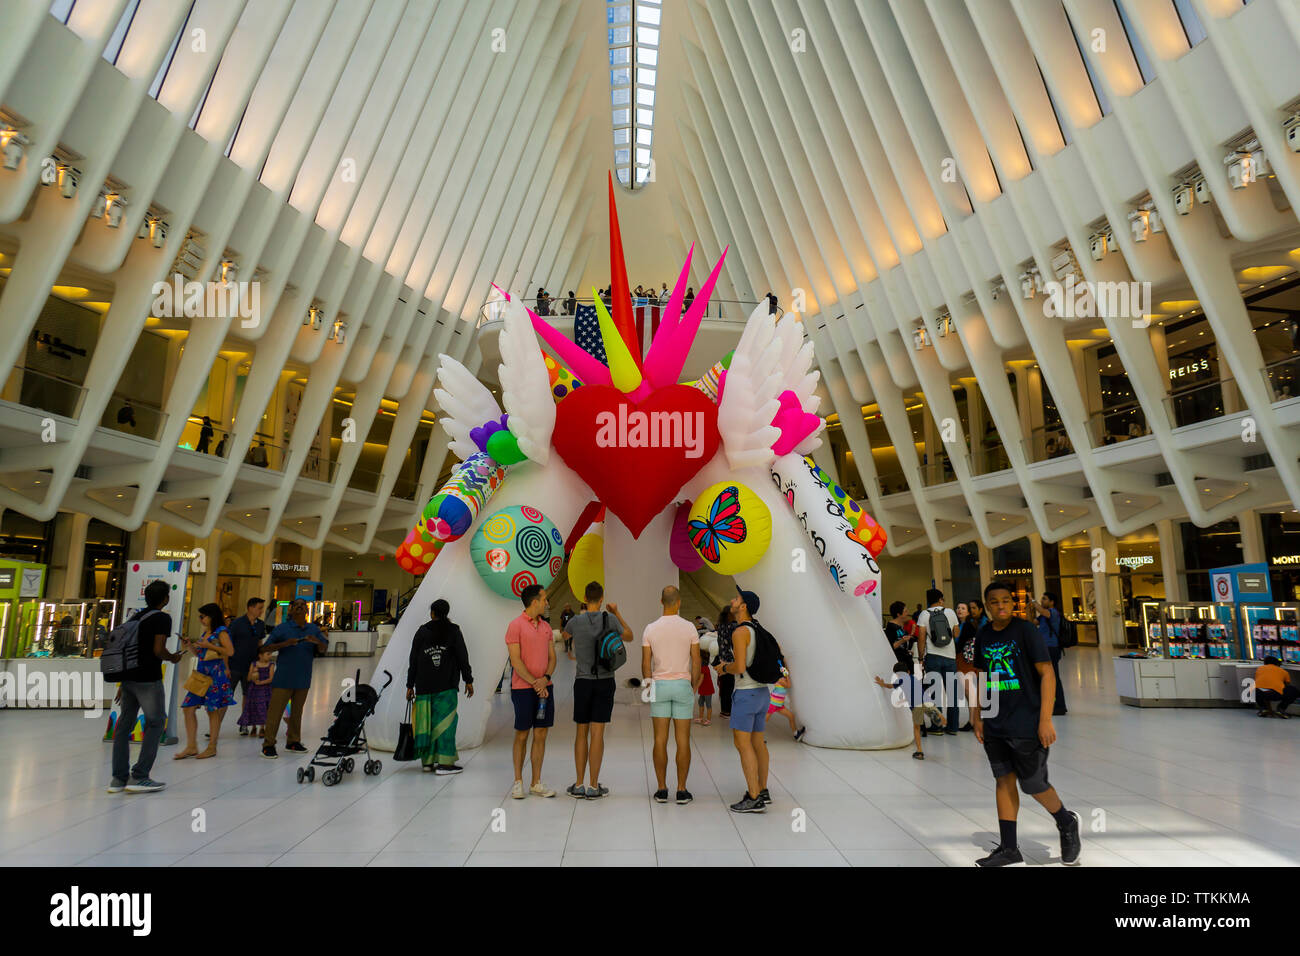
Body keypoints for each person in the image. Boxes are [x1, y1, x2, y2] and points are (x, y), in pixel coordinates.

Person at [972, 580, 1081, 867]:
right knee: (1003, 780)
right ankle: (1009, 849)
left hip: (1027, 721)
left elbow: (1047, 674)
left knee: (1033, 784)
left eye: (1006, 600)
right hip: (995, 722)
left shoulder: (1026, 631)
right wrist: (977, 715)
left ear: (1013, 603)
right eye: (994, 602)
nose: (1001, 606)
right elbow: (981, 676)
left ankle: (1066, 821)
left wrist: (1045, 719)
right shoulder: (983, 636)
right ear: (987, 606)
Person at [108, 580, 182, 793]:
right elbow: (158, 649)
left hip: (129, 678)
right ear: (166, 598)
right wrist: (173, 657)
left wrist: (123, 683)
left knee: (124, 726)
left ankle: (118, 779)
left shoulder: (136, 617)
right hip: (148, 678)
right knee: (156, 723)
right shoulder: (162, 618)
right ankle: (140, 776)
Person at [563, 581, 632, 798]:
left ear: (584, 597)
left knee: (581, 732)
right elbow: (629, 635)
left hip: (582, 681)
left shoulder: (575, 621)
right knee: (597, 733)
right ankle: (593, 785)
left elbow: (564, 636)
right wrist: (617, 612)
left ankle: (578, 783)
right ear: (601, 598)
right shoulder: (610, 619)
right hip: (605, 680)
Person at [642, 585, 701, 805]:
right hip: (682, 684)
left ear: (661, 601)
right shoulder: (690, 628)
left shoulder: (650, 629)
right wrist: (692, 684)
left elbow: (645, 663)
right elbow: (696, 660)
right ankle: (682, 790)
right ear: (679, 602)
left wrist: (648, 689)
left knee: (660, 739)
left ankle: (661, 789)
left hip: (659, 685)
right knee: (683, 739)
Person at [406, 599, 474, 774]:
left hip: (423, 686)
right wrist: (468, 680)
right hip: (446, 686)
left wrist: (410, 685)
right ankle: (444, 763)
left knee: (425, 724)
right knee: (445, 724)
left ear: (432, 613)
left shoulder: (422, 632)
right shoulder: (454, 631)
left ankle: (427, 763)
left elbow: (413, 660)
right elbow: (462, 657)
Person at [719, 586, 771, 813]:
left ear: (744, 606)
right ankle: (762, 789)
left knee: (743, 744)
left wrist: (723, 668)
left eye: (737, 598)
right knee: (758, 742)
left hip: (746, 693)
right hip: (761, 694)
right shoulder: (758, 629)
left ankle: (753, 796)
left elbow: (739, 666)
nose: (733, 600)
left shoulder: (740, 632)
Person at [505, 584, 557, 798]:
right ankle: (518, 781)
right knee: (522, 733)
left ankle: (536, 782)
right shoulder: (515, 626)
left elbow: (552, 658)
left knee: (541, 733)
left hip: (545, 688)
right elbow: (515, 661)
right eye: (544, 599)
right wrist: (536, 683)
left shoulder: (545, 627)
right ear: (534, 601)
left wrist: (545, 679)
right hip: (523, 689)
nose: (546, 603)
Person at [260, 598, 328, 758]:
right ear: (290, 610)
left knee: (297, 713)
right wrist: (284, 644)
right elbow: (265, 647)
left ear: (306, 610)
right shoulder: (282, 629)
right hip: (283, 679)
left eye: (302, 605)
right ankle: (268, 744)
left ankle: (293, 741)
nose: (299, 607)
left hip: (303, 679)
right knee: (275, 713)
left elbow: (324, 648)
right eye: (296, 605)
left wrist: (316, 641)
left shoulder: (313, 629)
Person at [175, 603, 236, 760]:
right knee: (188, 708)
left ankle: (212, 747)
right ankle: (191, 746)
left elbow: (230, 651)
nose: (200, 619)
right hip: (202, 674)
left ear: (212, 616)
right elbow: (200, 654)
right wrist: (189, 646)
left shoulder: (221, 632)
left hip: (215, 674)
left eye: (203, 616)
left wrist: (209, 645)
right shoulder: (206, 632)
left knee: (212, 710)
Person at [875, 661, 942, 759]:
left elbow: (890, 686)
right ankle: (933, 714)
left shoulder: (901, 680)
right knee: (927, 709)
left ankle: (919, 752)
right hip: (925, 701)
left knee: (916, 728)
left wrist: (882, 683)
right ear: (908, 671)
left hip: (916, 707)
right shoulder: (913, 678)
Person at [916, 588, 961, 735]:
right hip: (950, 657)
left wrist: (921, 658)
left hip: (933, 657)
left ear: (928, 600)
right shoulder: (950, 612)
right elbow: (956, 633)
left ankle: (937, 727)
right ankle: (953, 728)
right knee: (952, 692)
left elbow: (921, 638)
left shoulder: (924, 614)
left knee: (934, 693)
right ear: (941, 599)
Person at [227, 597, 266, 734]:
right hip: (234, 665)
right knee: (226, 695)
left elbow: (260, 644)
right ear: (250, 608)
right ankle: (215, 725)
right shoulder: (237, 623)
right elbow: (228, 644)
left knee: (247, 695)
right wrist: (226, 666)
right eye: (259, 608)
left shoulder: (260, 624)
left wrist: (262, 662)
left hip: (251, 668)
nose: (262, 611)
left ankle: (244, 724)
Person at [1030, 592, 1067, 715]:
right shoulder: (1043, 616)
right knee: (1046, 676)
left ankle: (1059, 706)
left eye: (1044, 599)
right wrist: (1029, 607)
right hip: (1044, 648)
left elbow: (1042, 611)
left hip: (1052, 648)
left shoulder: (1053, 613)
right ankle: (1052, 704)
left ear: (1052, 602)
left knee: (1053, 677)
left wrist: (1033, 600)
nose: (1042, 601)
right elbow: (1032, 623)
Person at [237, 648, 274, 737]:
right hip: (254, 689)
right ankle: (254, 727)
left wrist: (261, 682)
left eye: (270, 654)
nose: (270, 656)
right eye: (268, 654)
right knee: (253, 707)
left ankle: (262, 728)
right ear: (260, 655)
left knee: (264, 708)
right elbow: (249, 679)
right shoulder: (254, 664)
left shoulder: (271, 665)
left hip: (265, 690)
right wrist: (253, 673)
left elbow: (271, 678)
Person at [766, 667, 805, 740]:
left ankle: (796, 734)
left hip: (779, 705)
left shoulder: (782, 678)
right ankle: (756, 738)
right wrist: (787, 675)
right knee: (764, 721)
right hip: (773, 703)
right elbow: (788, 685)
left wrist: (786, 674)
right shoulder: (779, 679)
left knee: (791, 716)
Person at [712, 606, 735, 718]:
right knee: (729, 687)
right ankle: (728, 710)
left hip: (721, 659)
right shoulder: (733, 626)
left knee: (724, 687)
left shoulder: (720, 626)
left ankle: (724, 710)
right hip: (730, 661)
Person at [884, 600, 914, 666]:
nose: (907, 613)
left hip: (905, 659)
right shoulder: (891, 627)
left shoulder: (900, 626)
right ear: (898, 614)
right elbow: (892, 646)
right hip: (898, 662)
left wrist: (906, 651)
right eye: (905, 611)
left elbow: (900, 645)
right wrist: (903, 640)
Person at [694, 652, 715, 726]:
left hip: (707, 689)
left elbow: (701, 679)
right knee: (700, 702)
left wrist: (695, 688)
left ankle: (708, 720)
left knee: (708, 704)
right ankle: (700, 717)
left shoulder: (704, 668)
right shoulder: (703, 667)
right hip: (703, 689)